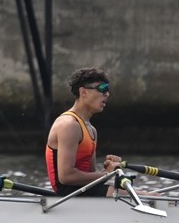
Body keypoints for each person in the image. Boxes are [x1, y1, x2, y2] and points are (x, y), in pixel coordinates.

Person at [44, 68, 122, 197]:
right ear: (83, 92)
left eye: (108, 90)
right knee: (151, 197)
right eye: (102, 89)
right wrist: (107, 174)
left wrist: (108, 169)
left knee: (149, 194)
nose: (107, 94)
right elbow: (66, 176)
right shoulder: (69, 125)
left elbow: (90, 177)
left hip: (84, 191)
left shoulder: (91, 130)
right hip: (68, 194)